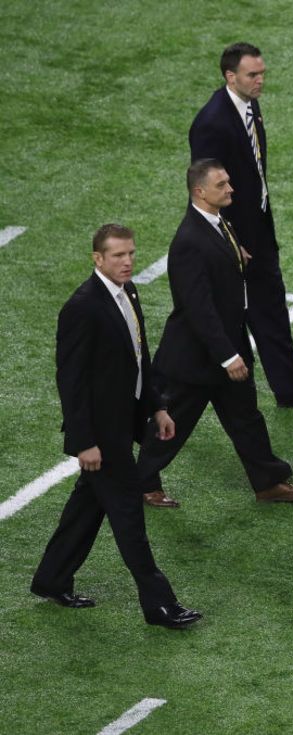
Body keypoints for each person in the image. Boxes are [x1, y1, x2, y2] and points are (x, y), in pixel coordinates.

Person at [31, 224, 201, 629]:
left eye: (131, 254)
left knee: (86, 509)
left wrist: (157, 407)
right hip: (102, 440)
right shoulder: (82, 307)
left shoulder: (129, 293)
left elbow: (138, 360)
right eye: (118, 256)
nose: (127, 262)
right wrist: (84, 442)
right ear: (98, 259)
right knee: (129, 519)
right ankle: (159, 605)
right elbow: (70, 381)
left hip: (123, 427)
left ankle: (51, 579)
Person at [135, 160, 293, 507]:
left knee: (246, 418)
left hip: (225, 348)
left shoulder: (217, 223)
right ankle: (142, 482)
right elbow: (197, 309)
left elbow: (221, 265)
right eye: (221, 185)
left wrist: (236, 255)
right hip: (196, 358)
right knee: (173, 425)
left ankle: (269, 482)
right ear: (199, 192)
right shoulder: (189, 240)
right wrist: (227, 355)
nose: (230, 188)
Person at [189, 41, 293, 411]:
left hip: (257, 233)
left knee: (271, 311)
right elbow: (205, 191)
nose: (260, 81)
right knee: (219, 323)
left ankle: (291, 389)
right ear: (230, 76)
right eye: (252, 75)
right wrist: (229, 240)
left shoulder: (248, 106)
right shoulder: (211, 123)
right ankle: (175, 396)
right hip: (233, 242)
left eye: (262, 73)